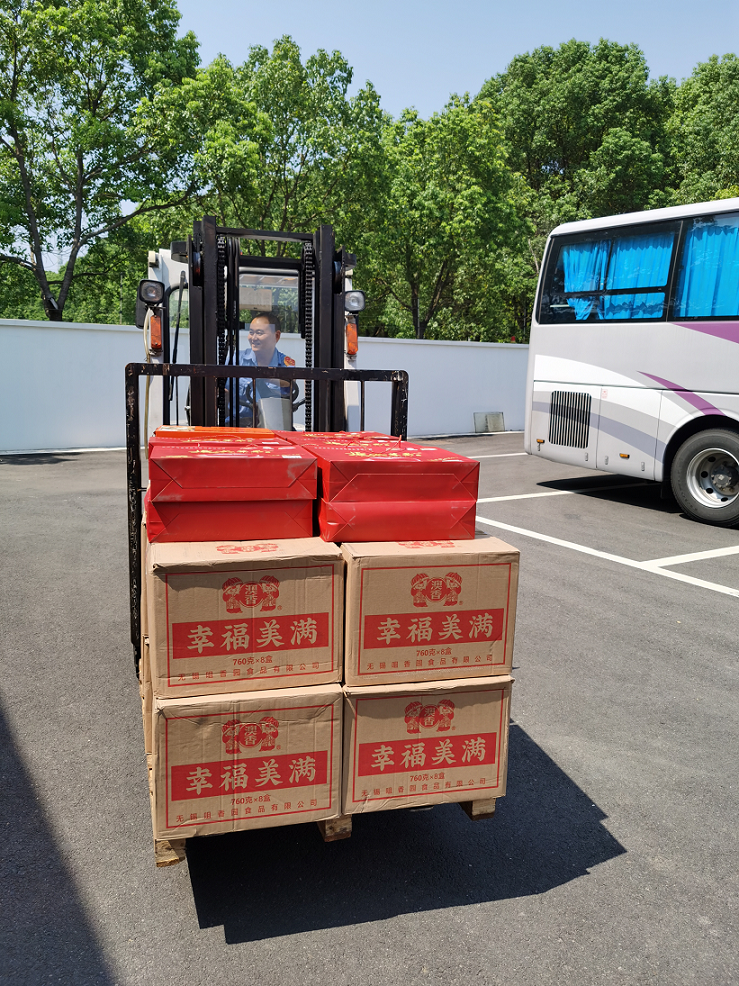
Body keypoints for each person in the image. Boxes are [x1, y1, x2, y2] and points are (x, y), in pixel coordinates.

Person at [236, 312, 295, 425]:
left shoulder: (286, 363)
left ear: (276, 336)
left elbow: (290, 382)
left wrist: (266, 377)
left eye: (259, 333)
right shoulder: (236, 359)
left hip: (273, 424)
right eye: (251, 332)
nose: (253, 338)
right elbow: (225, 392)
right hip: (239, 424)